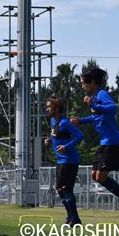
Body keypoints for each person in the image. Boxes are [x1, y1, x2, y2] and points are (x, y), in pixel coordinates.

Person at [70, 68, 119, 218]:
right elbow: (96, 117)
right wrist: (81, 121)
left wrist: (94, 104)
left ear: (92, 82)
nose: (82, 86)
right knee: (95, 175)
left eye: (83, 83)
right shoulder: (94, 97)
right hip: (104, 142)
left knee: (100, 177)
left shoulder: (101, 94)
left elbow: (113, 108)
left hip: (113, 142)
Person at [44, 96, 84, 227]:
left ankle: (75, 219)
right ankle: (71, 216)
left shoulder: (64, 122)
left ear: (56, 108)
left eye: (49, 106)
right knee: (60, 189)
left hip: (69, 160)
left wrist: (66, 147)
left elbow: (80, 135)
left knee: (65, 189)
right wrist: (49, 140)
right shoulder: (52, 122)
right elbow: (56, 135)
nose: (47, 109)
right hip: (60, 161)